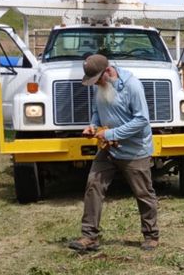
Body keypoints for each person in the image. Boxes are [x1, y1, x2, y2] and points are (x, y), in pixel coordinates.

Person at [68, 53, 159, 253]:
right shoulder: (100, 86)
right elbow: (96, 110)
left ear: (108, 71)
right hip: (108, 147)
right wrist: (93, 126)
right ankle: (89, 236)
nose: (95, 84)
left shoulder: (132, 86)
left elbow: (142, 120)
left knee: (143, 193)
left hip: (134, 149)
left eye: (96, 79)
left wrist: (111, 133)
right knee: (94, 185)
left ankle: (151, 235)